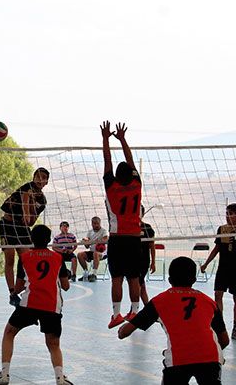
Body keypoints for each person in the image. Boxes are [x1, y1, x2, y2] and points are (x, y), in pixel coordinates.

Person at [118, 257, 229, 385]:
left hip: (179, 359)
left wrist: (121, 331)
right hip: (211, 358)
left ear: (170, 279)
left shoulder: (159, 301)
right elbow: (224, 340)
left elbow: (125, 332)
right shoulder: (209, 302)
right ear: (194, 279)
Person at [0, 225, 73, 385]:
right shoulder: (58, 258)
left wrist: (13, 293)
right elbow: (66, 286)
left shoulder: (25, 258)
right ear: (49, 240)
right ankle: (60, 378)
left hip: (30, 304)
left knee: (9, 332)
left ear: (31, 239)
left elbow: (19, 286)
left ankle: (4, 374)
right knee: (53, 344)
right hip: (52, 305)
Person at [101, 121, 143, 328]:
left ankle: (116, 315)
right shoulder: (137, 184)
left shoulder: (112, 186)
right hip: (135, 238)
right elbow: (131, 160)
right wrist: (122, 139)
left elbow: (107, 160)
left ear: (117, 176)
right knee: (133, 278)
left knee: (116, 278)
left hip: (117, 240)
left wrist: (105, 138)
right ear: (132, 174)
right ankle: (134, 312)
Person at [200, 203, 236, 341]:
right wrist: (206, 263)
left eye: (230, 214)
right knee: (218, 295)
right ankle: (220, 326)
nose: (228, 216)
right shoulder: (221, 229)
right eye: (226, 213)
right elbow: (216, 248)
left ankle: (235, 328)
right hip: (223, 269)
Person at [0, 167, 49, 306]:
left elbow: (31, 221)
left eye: (43, 177)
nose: (40, 179)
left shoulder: (42, 201)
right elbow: (26, 196)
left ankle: (19, 291)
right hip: (8, 223)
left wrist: (31, 210)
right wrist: (26, 212)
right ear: (33, 178)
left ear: (46, 182)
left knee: (27, 259)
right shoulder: (27, 187)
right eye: (38, 176)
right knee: (9, 258)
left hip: (22, 228)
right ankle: (11, 292)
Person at [77, 216, 109, 282]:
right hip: (92, 251)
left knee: (95, 253)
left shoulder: (104, 231)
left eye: (98, 223)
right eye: (95, 223)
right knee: (80, 255)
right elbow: (87, 246)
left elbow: (105, 239)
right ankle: (86, 273)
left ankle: (94, 274)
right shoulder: (90, 232)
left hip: (102, 253)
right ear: (92, 224)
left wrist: (96, 241)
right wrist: (85, 242)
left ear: (100, 223)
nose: (96, 225)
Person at [139, 206, 156, 304]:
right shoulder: (128, 228)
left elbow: (152, 246)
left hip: (143, 261)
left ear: (143, 214)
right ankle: (148, 309)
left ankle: (134, 311)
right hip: (131, 261)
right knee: (141, 286)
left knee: (138, 284)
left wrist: (153, 262)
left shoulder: (147, 228)